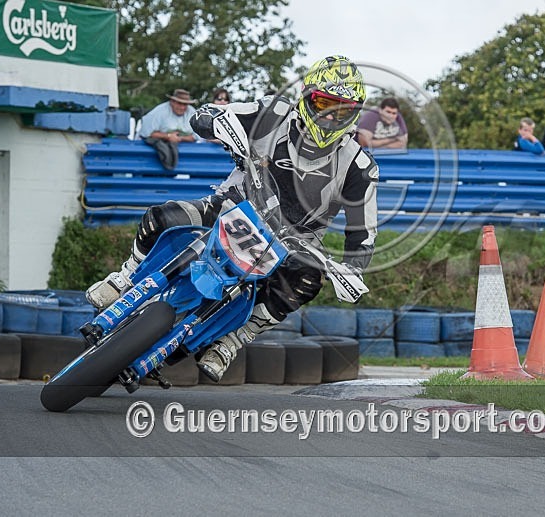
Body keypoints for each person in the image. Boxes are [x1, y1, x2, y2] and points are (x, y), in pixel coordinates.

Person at [85, 56, 379, 382]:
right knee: (164, 216)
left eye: (342, 110)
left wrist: (353, 268)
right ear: (307, 97)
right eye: (325, 104)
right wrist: (214, 123)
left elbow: (363, 231)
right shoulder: (273, 113)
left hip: (291, 244)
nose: (330, 117)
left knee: (308, 278)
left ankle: (235, 338)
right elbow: (211, 113)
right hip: (231, 205)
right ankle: (126, 277)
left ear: (355, 114)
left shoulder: (359, 165)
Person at [138, 89, 199, 170]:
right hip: (153, 157)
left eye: (185, 104)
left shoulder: (192, 112)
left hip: (187, 157)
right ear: (172, 102)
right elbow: (147, 133)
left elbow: (197, 136)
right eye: (180, 103)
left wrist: (179, 139)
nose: (182, 107)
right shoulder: (159, 112)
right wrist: (168, 136)